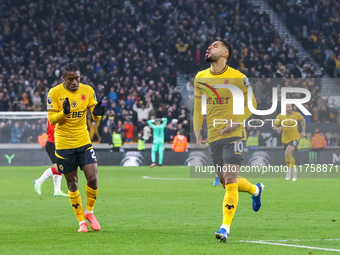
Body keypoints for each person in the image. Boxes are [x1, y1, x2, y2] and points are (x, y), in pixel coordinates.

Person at [193, 40, 264, 243]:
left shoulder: (238, 77)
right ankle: (255, 189)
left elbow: (253, 103)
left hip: (235, 134)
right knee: (225, 182)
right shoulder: (200, 77)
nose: (209, 47)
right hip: (214, 137)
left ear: (225, 53)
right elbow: (198, 107)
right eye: (209, 45)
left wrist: (236, 122)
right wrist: (197, 128)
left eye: (215, 45)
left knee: (231, 180)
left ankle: (225, 228)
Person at [47, 63, 105, 233]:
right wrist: (64, 113)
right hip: (64, 144)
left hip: (83, 141)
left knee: (93, 178)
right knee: (72, 183)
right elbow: (51, 120)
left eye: (77, 78)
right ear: (64, 79)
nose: (74, 82)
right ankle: (81, 221)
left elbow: (95, 116)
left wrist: (98, 112)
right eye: (70, 79)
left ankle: (90, 212)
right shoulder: (54, 93)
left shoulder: (87, 90)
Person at [33, 121, 68, 197]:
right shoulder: (54, 116)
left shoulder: (56, 114)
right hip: (53, 144)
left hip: (57, 143)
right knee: (60, 167)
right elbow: (55, 130)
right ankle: (39, 181)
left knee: (60, 166)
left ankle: (57, 191)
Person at [273, 104, 306, 181]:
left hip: (295, 138)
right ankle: (294, 169)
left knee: (287, 153)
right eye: (288, 107)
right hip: (284, 139)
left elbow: (303, 120)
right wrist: (277, 128)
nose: (289, 108)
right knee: (289, 155)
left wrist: (303, 131)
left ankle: (288, 170)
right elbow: (274, 126)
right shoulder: (280, 116)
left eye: (290, 107)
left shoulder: (296, 114)